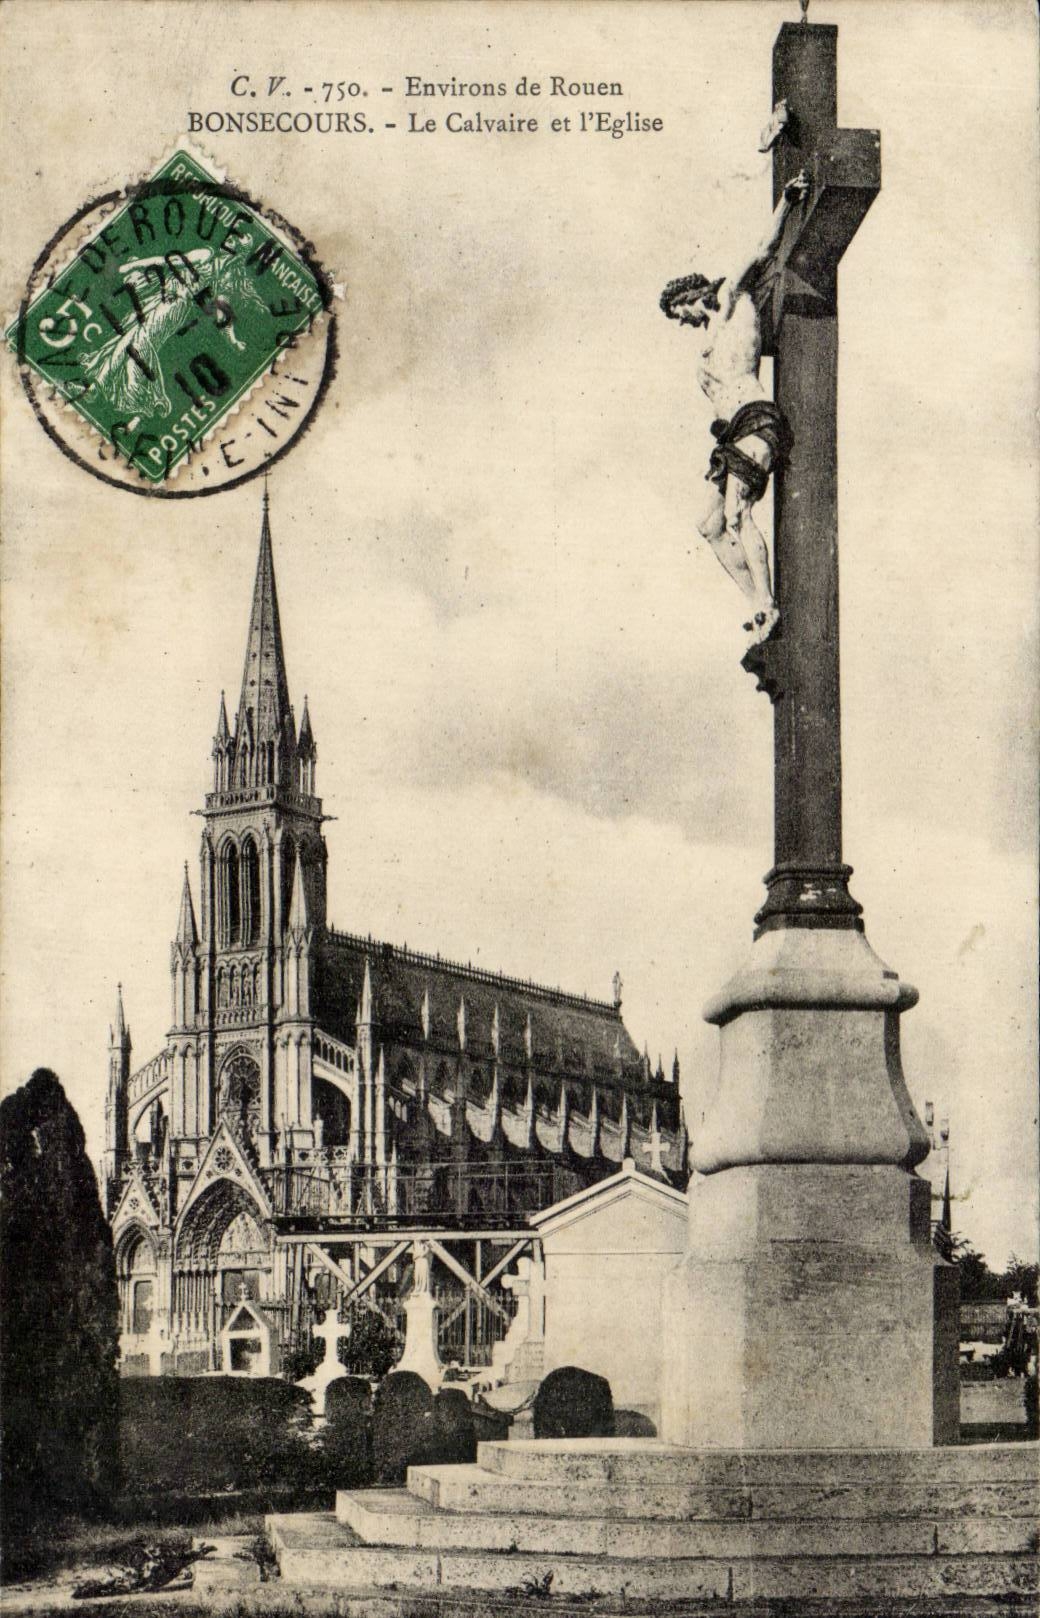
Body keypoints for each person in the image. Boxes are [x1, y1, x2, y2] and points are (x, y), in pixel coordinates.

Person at [660, 170, 809, 643]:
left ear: (688, 298)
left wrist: (786, 202)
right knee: (709, 525)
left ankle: (767, 605)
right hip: (732, 434)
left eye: (676, 313)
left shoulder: (729, 300)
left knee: (739, 514)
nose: (679, 323)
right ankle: (756, 603)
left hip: (756, 418)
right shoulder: (706, 343)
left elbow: (761, 251)